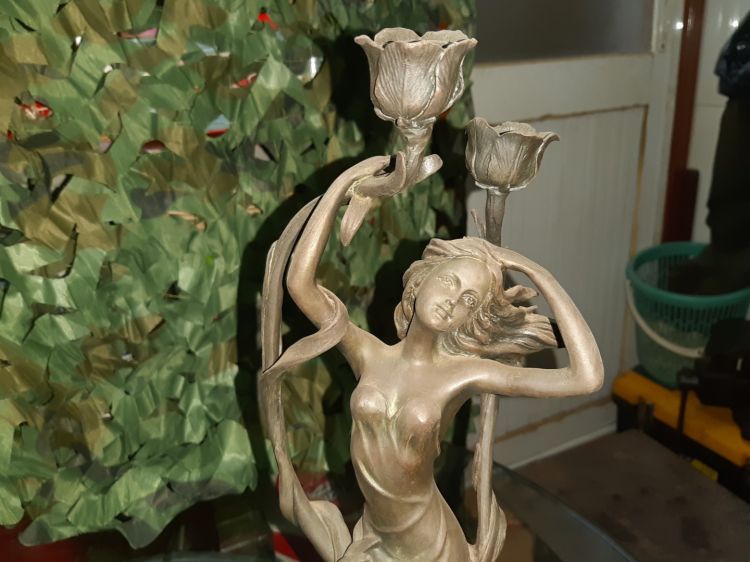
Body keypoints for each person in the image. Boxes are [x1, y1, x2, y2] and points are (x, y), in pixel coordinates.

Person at [260, 155, 604, 562]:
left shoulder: (464, 374)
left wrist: (537, 274)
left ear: (471, 319)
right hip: (375, 534)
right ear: (422, 280)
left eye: (469, 301)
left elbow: (586, 377)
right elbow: (300, 284)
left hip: (430, 543)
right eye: (449, 282)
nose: (452, 301)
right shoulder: (367, 353)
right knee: (307, 512)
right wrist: (343, 185)